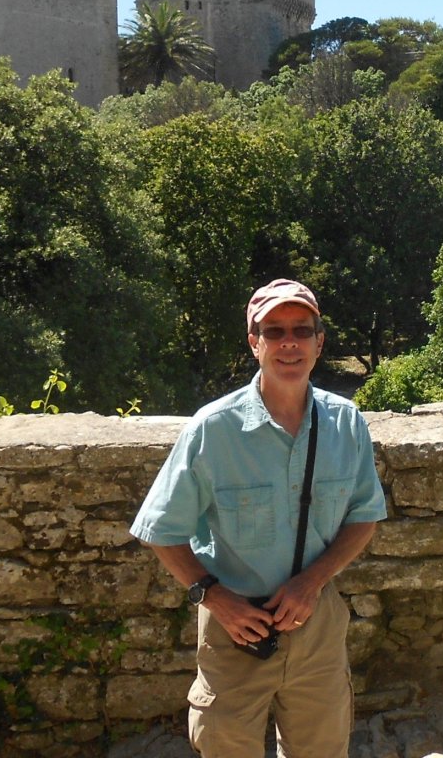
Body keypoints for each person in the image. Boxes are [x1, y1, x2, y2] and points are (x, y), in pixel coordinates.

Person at [131, 279, 386, 757]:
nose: (289, 342)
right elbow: (161, 530)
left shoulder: (346, 423)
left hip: (316, 626)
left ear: (319, 342)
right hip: (235, 630)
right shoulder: (214, 429)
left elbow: (364, 517)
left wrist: (311, 582)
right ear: (254, 343)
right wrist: (216, 598)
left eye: (301, 330)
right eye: (274, 331)